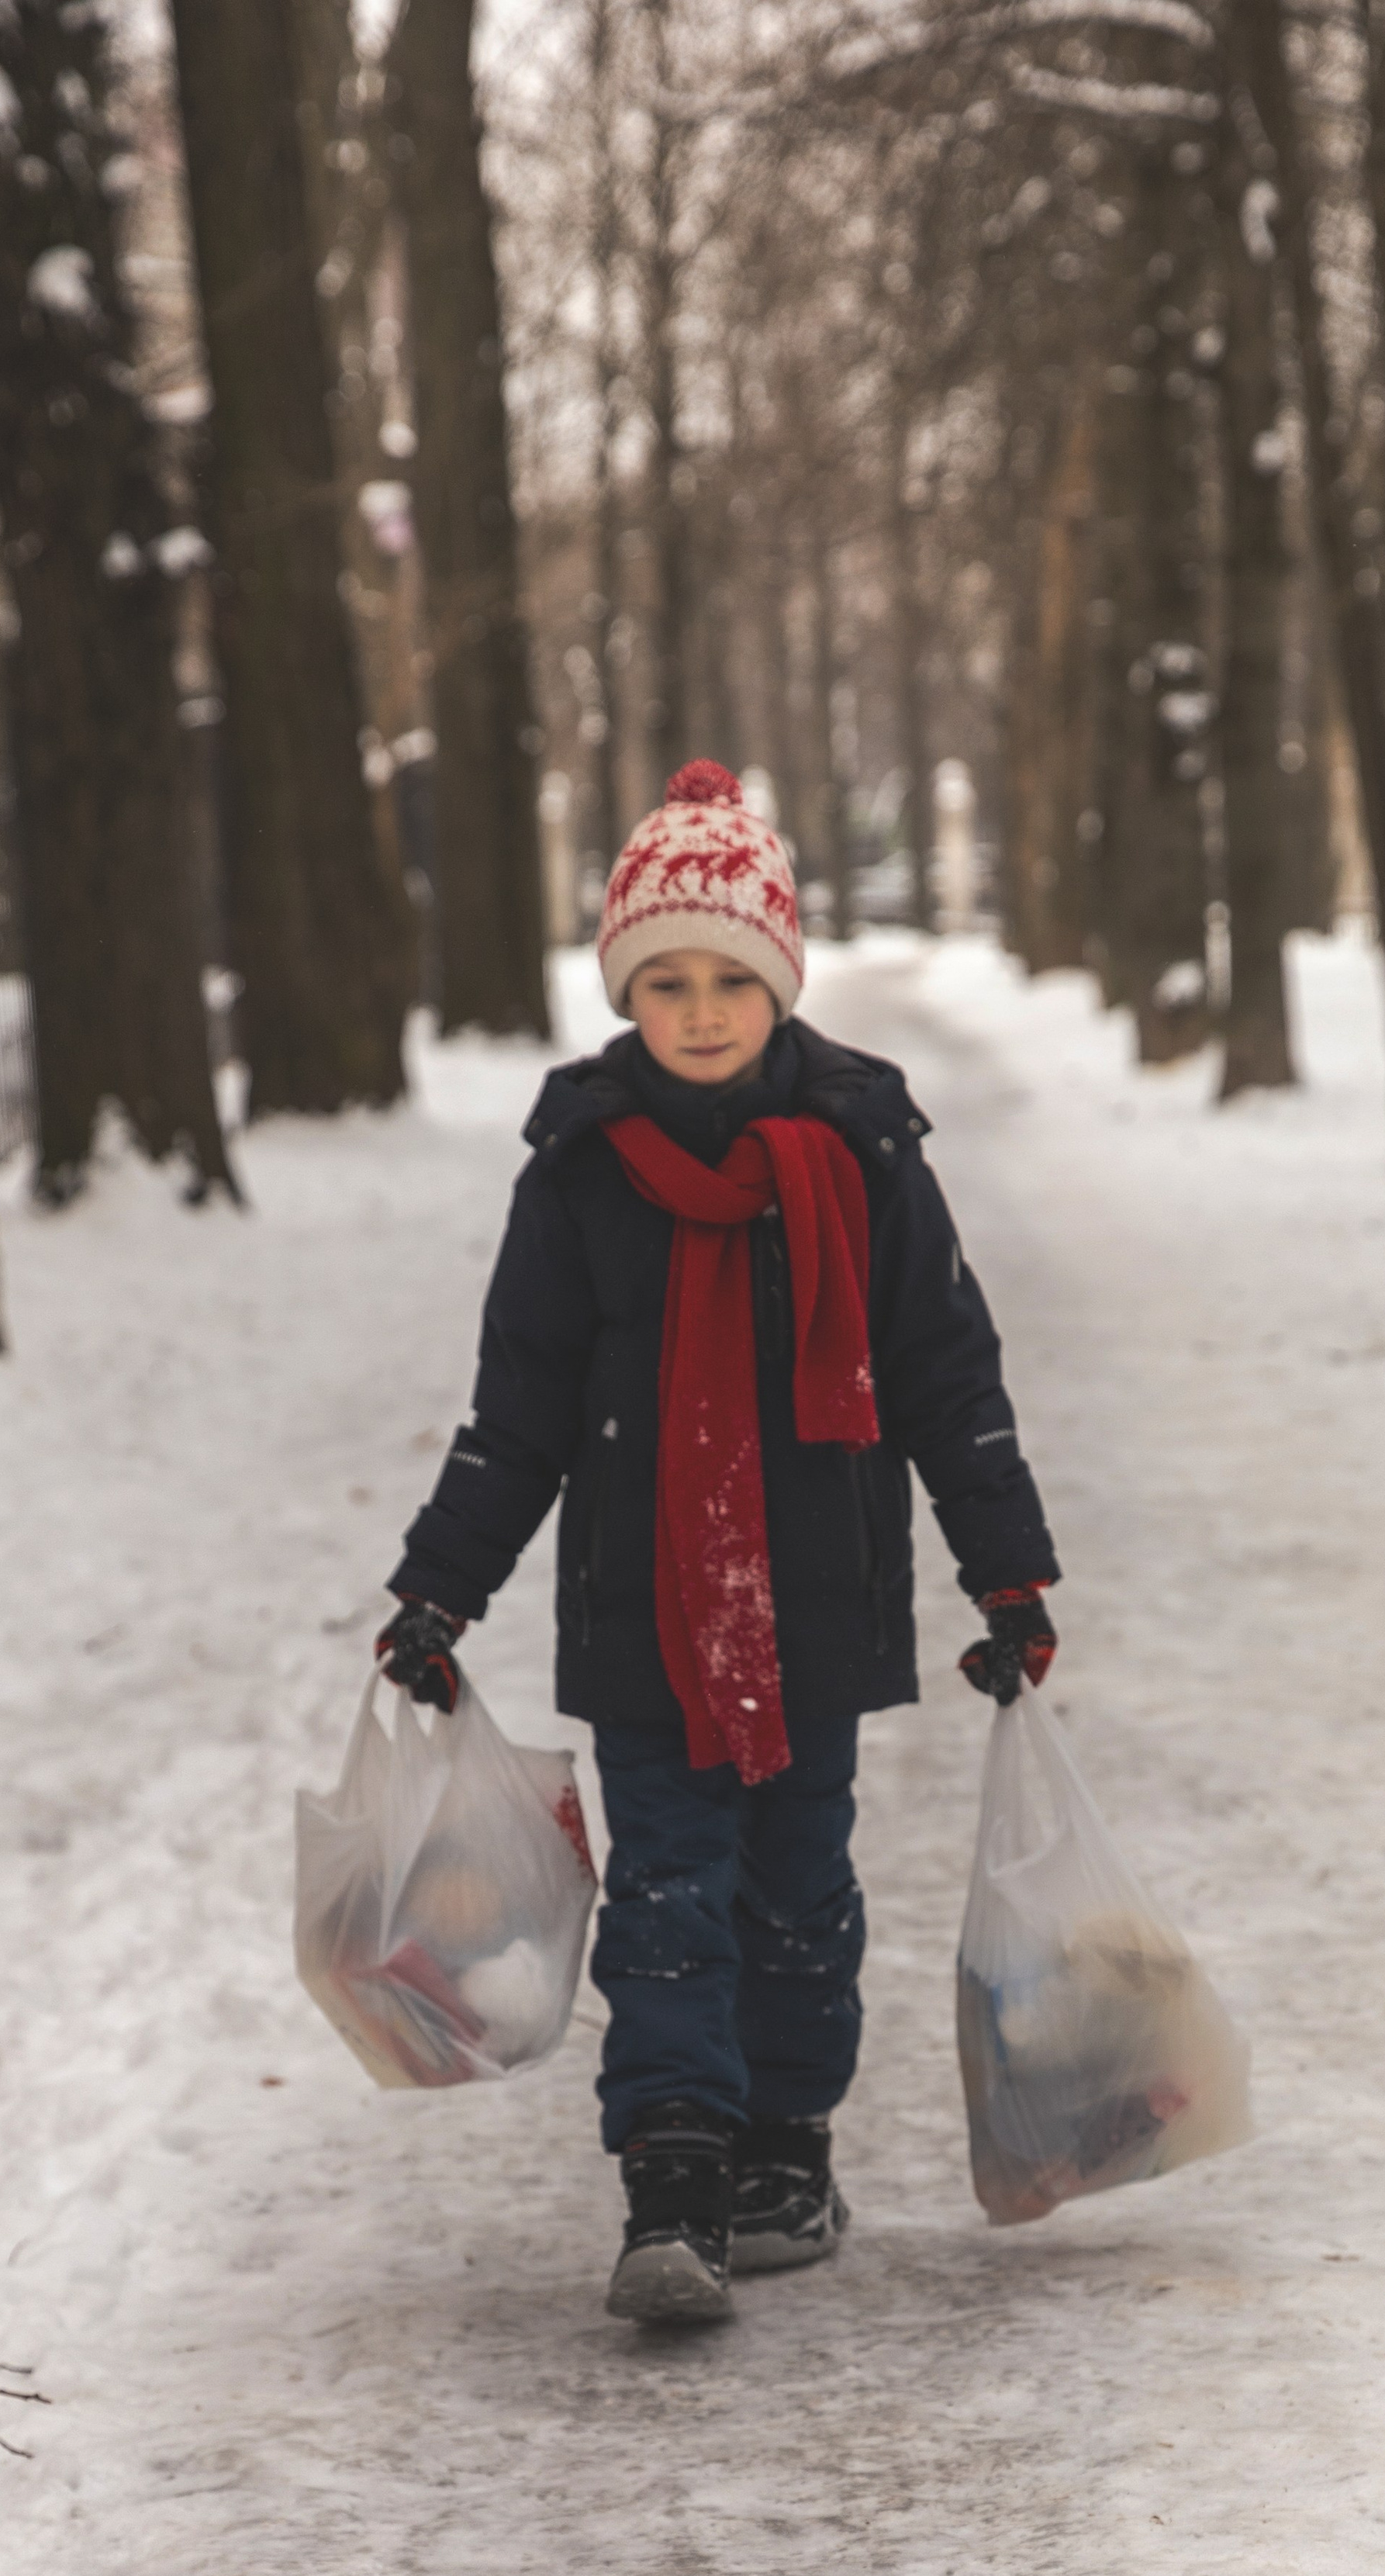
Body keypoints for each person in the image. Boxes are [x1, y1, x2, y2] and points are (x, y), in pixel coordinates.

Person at [379, 761, 1058, 2325]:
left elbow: (946, 1379)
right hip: (645, 1610)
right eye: (665, 982)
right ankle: (674, 2173)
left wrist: (1006, 1570)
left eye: (730, 980)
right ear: (625, 993)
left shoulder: (866, 1154)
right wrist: (438, 1590)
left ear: (782, 982)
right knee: (668, 1892)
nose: (699, 1013)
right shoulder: (580, 1173)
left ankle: (784, 2148)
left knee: (800, 1892)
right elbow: (519, 1410)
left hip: (817, 1599)